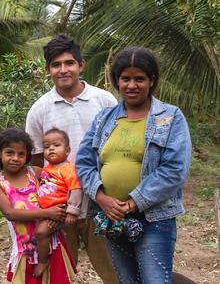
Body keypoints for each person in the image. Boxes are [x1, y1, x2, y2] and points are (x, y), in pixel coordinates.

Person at [75, 47, 192, 283]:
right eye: (125, 78)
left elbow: (174, 170)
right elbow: (84, 162)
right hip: (111, 218)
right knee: (127, 280)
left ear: (152, 81)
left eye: (139, 78)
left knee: (155, 280)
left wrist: (132, 203)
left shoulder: (170, 117)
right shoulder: (104, 118)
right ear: (117, 81)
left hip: (153, 219)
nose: (132, 85)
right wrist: (102, 198)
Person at [26, 34, 119, 283]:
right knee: (59, 273)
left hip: (101, 202)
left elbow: (117, 149)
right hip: (58, 208)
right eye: (56, 65)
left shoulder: (105, 101)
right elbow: (36, 161)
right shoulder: (39, 109)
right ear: (48, 70)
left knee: (114, 271)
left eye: (69, 63)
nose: (63, 69)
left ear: (81, 64)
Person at [0, 128, 76, 284]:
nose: (15, 158)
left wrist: (62, 211)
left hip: (51, 243)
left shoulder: (35, 173)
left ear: (27, 155)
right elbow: (10, 213)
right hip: (25, 249)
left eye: (21, 154)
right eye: (10, 153)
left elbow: (59, 189)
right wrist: (47, 213)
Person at [33, 128, 83, 277]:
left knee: (41, 232)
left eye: (56, 145)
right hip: (45, 210)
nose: (51, 149)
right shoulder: (46, 168)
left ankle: (43, 261)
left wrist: (72, 212)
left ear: (67, 150)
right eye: (47, 147)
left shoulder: (68, 169)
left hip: (59, 210)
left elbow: (76, 190)